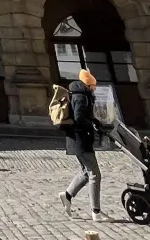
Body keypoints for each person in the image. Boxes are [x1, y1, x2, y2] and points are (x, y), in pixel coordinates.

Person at [58, 69, 108, 223]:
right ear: (88, 84)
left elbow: (84, 116)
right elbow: (79, 118)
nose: (94, 88)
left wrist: (95, 121)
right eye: (93, 85)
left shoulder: (81, 94)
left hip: (77, 140)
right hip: (80, 140)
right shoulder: (81, 97)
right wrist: (92, 125)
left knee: (86, 173)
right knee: (95, 175)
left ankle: (67, 195)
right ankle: (96, 212)